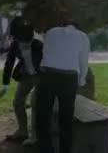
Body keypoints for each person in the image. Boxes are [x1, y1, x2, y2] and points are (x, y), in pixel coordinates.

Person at [36, 12, 90, 153]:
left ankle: (46, 149)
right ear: (78, 28)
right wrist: (81, 81)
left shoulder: (51, 32)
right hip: (68, 78)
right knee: (66, 119)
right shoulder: (83, 37)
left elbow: (45, 50)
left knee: (42, 117)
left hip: (48, 76)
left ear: (64, 25)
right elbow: (83, 62)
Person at [0, 17, 43, 145]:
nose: (17, 41)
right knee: (17, 101)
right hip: (26, 75)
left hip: (41, 76)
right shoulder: (15, 44)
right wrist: (5, 84)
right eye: (16, 39)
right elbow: (9, 63)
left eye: (19, 39)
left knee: (35, 103)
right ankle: (22, 130)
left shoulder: (39, 44)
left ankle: (35, 135)